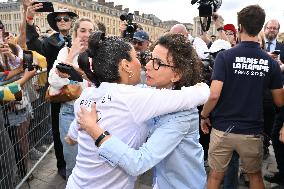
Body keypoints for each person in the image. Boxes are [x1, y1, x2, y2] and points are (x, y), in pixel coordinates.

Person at [65, 31, 209, 189]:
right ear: (125, 65)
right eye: (149, 58)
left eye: (157, 63)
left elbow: (139, 163)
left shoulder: (181, 114)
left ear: (176, 74)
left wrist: (94, 130)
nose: (146, 66)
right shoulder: (138, 95)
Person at [200, 5, 283, 189]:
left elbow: (213, 95)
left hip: (223, 129)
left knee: (215, 177)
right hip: (252, 131)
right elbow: (280, 101)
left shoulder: (225, 57)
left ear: (240, 27)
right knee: (255, 176)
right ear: (260, 27)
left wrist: (204, 116)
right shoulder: (271, 63)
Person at [25, 4, 78, 179]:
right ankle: (62, 164)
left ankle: (81, 162)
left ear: (71, 22)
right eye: (58, 19)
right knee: (57, 129)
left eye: (66, 18)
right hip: (59, 92)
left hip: (80, 92)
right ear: (55, 23)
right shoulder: (51, 41)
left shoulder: (80, 39)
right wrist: (30, 20)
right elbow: (33, 43)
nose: (62, 21)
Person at [47, 17, 97, 178]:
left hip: (96, 114)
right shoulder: (65, 51)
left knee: (94, 162)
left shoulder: (99, 54)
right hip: (70, 113)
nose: (86, 34)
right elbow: (54, 81)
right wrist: (71, 55)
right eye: (82, 30)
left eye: (91, 31)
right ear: (75, 33)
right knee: (73, 163)